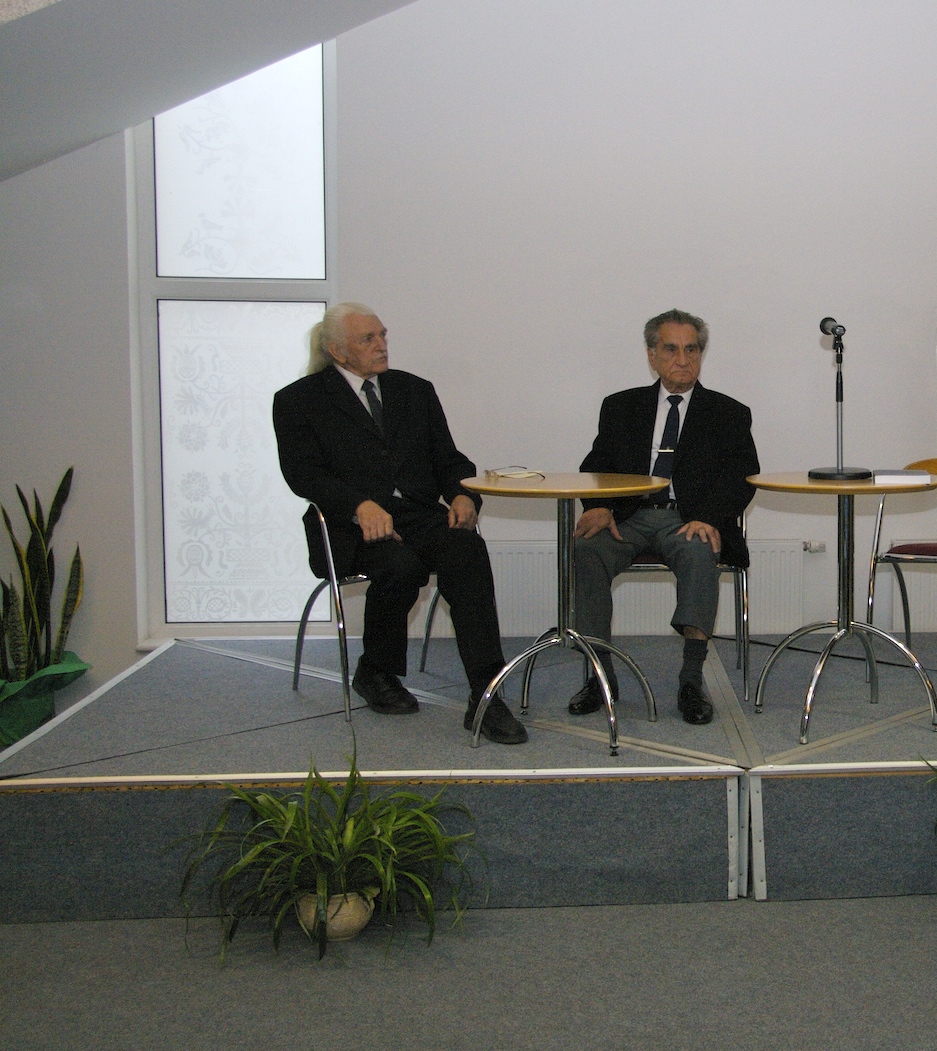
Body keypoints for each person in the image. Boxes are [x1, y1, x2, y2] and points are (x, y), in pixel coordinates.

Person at [273, 303, 527, 745]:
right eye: (368, 339)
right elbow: (303, 475)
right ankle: (376, 671)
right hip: (346, 525)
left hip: (416, 515)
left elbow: (448, 459)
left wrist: (464, 494)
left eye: (383, 335)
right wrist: (359, 505)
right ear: (338, 351)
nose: (381, 345)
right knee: (401, 565)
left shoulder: (414, 391)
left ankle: (486, 693)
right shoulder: (299, 400)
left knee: (466, 549)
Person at [570, 310, 760, 725]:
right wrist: (597, 506)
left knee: (700, 551)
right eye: (671, 349)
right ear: (652, 355)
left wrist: (709, 517)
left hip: (688, 519)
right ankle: (600, 675)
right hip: (629, 516)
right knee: (587, 550)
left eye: (692, 350)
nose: (683, 359)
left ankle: (691, 680)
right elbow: (596, 465)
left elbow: (742, 477)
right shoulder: (621, 407)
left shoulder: (728, 412)